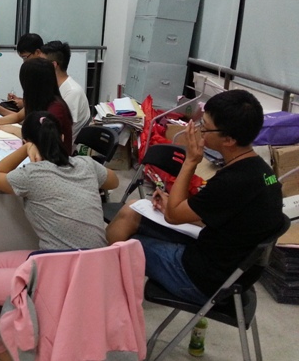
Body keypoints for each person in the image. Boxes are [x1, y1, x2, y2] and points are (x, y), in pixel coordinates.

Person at [0, 111, 118, 361]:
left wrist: (25, 151)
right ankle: (21, 330)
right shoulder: (86, 165)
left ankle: (6, 356)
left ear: (28, 142)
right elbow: (114, 181)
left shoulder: (30, 175)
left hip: (61, 276)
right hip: (94, 268)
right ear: (63, 137)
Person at [106, 89, 284, 305]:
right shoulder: (260, 170)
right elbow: (221, 216)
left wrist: (191, 160)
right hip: (228, 265)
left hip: (203, 280)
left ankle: (104, 291)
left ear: (228, 139)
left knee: (124, 245)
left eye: (205, 126)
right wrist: (175, 206)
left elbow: (173, 216)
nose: (200, 130)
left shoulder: (232, 181)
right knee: (131, 211)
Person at [0, 58, 74, 155]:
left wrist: (15, 130)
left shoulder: (56, 109)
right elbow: (18, 116)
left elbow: (43, 139)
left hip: (54, 159)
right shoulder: (39, 100)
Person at [0, 33, 43, 115]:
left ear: (37, 52)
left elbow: (21, 117)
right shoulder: (34, 70)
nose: (24, 62)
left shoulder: (43, 73)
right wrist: (20, 101)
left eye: (25, 57)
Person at [40, 40, 90, 142]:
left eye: (41, 62)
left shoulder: (72, 92)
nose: (38, 65)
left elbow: (58, 129)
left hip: (61, 145)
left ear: (53, 65)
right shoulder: (53, 86)